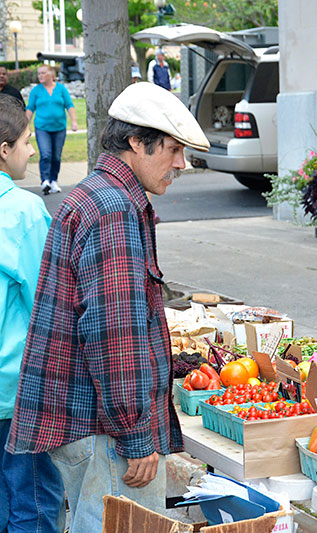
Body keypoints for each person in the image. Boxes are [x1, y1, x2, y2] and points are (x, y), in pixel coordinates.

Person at [6, 82, 210, 532]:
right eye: (173, 150)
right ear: (136, 142)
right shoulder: (114, 208)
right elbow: (114, 337)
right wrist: (137, 436)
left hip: (91, 424)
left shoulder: (96, 195)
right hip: (103, 431)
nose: (181, 164)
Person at [0, 94, 64, 533]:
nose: (33, 150)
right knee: (35, 506)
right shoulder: (22, 210)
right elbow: (49, 305)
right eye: (26, 141)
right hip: (17, 390)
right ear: (4, 150)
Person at [26, 64, 78, 195]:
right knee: (46, 154)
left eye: (43, 73)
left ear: (51, 75)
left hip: (59, 128)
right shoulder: (36, 91)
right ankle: (45, 181)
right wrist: (25, 126)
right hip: (42, 128)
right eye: (39, 73)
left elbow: (69, 105)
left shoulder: (61, 89)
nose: (40, 76)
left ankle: (53, 180)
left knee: (56, 156)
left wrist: (74, 122)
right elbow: (30, 108)